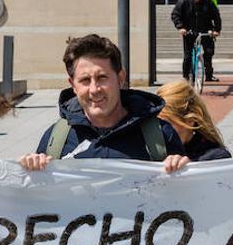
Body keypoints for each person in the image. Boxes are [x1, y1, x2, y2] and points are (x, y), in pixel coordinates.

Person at [18, 34, 187, 173]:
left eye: (102, 78)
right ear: (73, 86)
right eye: (85, 80)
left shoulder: (160, 136)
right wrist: (30, 169)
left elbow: (187, 200)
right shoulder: (55, 141)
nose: (94, 89)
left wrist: (181, 170)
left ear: (120, 78)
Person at [156, 81, 232, 162]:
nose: (160, 131)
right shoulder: (153, 150)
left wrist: (189, 168)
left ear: (190, 120)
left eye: (166, 124)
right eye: (155, 124)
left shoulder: (216, 158)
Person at [171, 0, 222, 82]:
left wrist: (216, 30)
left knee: (209, 52)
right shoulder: (183, 2)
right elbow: (175, 14)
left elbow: (216, 17)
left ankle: (208, 74)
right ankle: (186, 76)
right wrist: (180, 27)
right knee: (188, 55)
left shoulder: (208, 3)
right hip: (189, 32)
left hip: (205, 32)